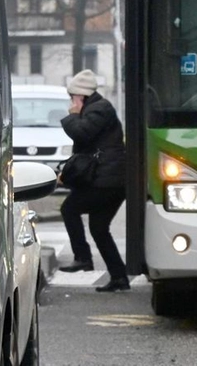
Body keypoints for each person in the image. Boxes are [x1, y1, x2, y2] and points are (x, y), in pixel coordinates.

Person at [57, 69, 129, 292]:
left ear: (81, 96)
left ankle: (83, 258)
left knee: (69, 208)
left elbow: (82, 134)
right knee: (99, 228)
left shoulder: (99, 109)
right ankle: (119, 278)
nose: (71, 102)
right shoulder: (96, 109)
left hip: (107, 182)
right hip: (111, 182)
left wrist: (71, 115)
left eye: (73, 97)